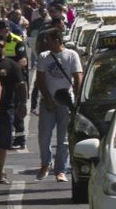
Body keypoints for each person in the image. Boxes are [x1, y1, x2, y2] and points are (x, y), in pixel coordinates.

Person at [34, 29, 83, 182]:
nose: (45, 43)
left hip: (66, 101)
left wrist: (77, 100)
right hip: (48, 101)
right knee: (44, 136)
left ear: (57, 40)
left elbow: (78, 77)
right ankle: (45, 163)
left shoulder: (71, 55)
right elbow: (40, 81)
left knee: (64, 138)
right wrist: (47, 98)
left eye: (48, 40)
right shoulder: (44, 57)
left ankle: (61, 170)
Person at [0, 35, 27, 184]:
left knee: (3, 144)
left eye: (0, 46)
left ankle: (1, 172)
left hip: (7, 109)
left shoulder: (11, 65)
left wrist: (23, 103)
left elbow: (20, 85)